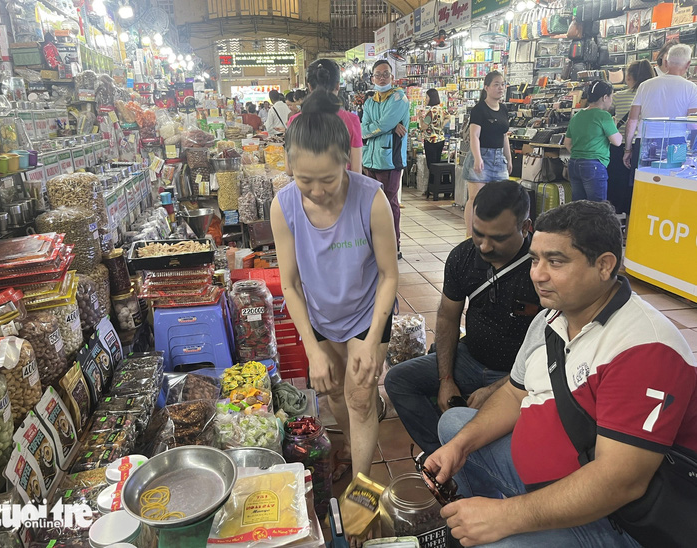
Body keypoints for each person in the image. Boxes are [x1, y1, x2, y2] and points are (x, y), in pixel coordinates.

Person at [425, 200, 697, 547]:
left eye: (555, 261)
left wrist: (504, 517)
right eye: (534, 259)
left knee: (497, 543)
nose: (537, 274)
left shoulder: (646, 349)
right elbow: (514, 393)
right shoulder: (550, 318)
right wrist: (460, 447)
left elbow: (620, 482)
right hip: (553, 477)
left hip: (616, 517)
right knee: (454, 426)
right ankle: (484, 513)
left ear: (604, 265)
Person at [271, 90, 399, 486]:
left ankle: (363, 488)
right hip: (321, 314)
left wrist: (373, 340)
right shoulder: (283, 206)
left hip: (367, 313)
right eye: (304, 180)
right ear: (290, 166)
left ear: (346, 160)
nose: (317, 191)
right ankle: (350, 443)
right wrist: (312, 350)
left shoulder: (371, 199)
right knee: (333, 394)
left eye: (328, 179)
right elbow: (290, 284)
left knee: (359, 398)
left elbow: (389, 275)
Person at [385, 181, 541, 454]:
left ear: (526, 227)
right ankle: (441, 457)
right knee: (398, 380)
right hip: (470, 359)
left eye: (498, 238)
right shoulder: (463, 256)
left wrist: (498, 389)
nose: (485, 246)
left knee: (530, 423)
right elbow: (447, 317)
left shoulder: (541, 271)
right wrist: (446, 379)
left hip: (518, 375)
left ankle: (471, 458)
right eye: (479, 233)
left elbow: (550, 352)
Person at [361, 60, 410, 259]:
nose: (382, 78)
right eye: (378, 74)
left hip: (389, 160)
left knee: (389, 204)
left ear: (392, 76)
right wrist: (386, 128)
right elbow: (363, 128)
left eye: (385, 74)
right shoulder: (370, 101)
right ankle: (375, 245)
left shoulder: (399, 98)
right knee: (371, 205)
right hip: (369, 160)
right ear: (372, 78)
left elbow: (383, 124)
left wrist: (383, 127)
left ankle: (393, 245)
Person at [623, 44, 697, 171]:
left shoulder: (645, 86)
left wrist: (628, 149)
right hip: (677, 142)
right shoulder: (691, 88)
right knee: (674, 178)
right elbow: (692, 124)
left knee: (643, 178)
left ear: (666, 62)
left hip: (646, 140)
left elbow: (632, 120)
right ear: (688, 64)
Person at [287, 59, 363, 173]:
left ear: (309, 86)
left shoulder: (295, 121)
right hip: (340, 183)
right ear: (337, 85)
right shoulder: (351, 120)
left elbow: (289, 169)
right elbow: (356, 170)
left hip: (306, 183)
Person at [462, 71, 512, 238]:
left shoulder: (503, 109)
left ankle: (495, 233)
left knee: (502, 198)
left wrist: (508, 159)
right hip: (481, 156)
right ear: (486, 87)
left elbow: (504, 136)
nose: (500, 88)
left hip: (499, 158)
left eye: (502, 84)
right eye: (496, 84)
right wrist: (478, 158)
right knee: (475, 199)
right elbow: (474, 136)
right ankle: (470, 236)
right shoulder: (479, 109)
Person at [607, 60, 654, 214]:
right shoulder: (651, 96)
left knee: (617, 185)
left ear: (628, 77)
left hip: (620, 145)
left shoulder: (618, 96)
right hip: (644, 145)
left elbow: (604, 112)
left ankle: (616, 217)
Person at [563, 80, 622, 202]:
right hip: (594, 165)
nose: (611, 101)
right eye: (611, 97)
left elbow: (567, 143)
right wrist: (614, 125)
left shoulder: (577, 116)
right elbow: (617, 141)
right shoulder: (604, 116)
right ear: (605, 97)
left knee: (578, 206)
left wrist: (581, 154)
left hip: (574, 164)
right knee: (597, 207)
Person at [419, 88, 450, 197]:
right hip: (440, 139)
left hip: (431, 140)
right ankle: (436, 186)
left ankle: (432, 188)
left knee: (431, 166)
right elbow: (448, 117)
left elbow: (424, 126)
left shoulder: (431, 112)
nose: (426, 99)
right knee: (437, 163)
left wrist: (420, 118)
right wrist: (441, 126)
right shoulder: (441, 109)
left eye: (427, 97)